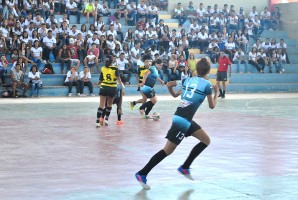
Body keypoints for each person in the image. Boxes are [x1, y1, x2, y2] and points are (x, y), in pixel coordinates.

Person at [135, 58, 219, 189]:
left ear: (196, 69)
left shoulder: (188, 80)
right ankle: (142, 173)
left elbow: (169, 84)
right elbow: (212, 106)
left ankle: (185, 167)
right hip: (182, 121)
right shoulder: (207, 85)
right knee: (167, 150)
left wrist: (174, 95)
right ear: (208, 71)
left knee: (206, 140)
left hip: (185, 119)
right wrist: (217, 92)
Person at [95, 56, 125, 127]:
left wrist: (97, 83)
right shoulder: (115, 68)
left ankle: (97, 121)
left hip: (104, 87)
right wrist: (122, 88)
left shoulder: (103, 68)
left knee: (101, 105)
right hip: (112, 88)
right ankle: (106, 120)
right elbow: (118, 79)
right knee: (109, 104)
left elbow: (101, 80)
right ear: (112, 61)